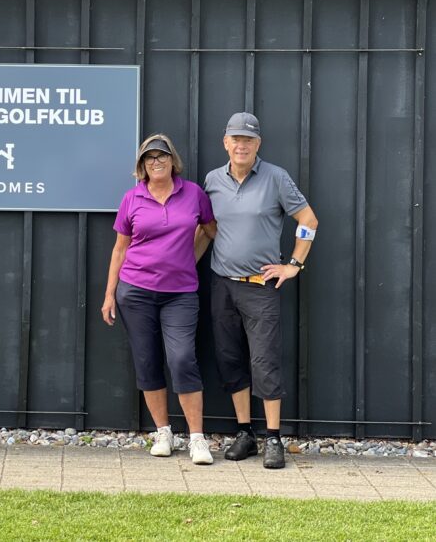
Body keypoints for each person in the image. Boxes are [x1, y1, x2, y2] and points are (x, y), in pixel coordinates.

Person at [201, 112, 318, 469]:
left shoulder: (276, 178)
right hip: (222, 285)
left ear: (258, 144)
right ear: (225, 142)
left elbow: (308, 220)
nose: (242, 145)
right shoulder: (212, 181)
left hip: (260, 287)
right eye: (236, 139)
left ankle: (273, 438)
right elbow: (209, 227)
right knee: (230, 359)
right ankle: (245, 434)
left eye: (248, 140)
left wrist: (294, 265)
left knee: (264, 361)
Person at [102, 134, 218, 465]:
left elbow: (210, 230)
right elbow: (120, 249)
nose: (156, 162)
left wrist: (190, 257)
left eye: (162, 156)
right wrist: (109, 295)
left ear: (172, 160)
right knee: (147, 360)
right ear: (142, 165)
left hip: (180, 294)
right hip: (135, 292)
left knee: (182, 359)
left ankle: (197, 438)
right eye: (150, 158)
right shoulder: (132, 198)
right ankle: (163, 432)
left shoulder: (193, 194)